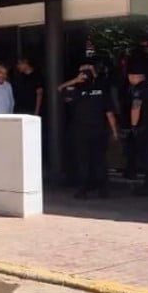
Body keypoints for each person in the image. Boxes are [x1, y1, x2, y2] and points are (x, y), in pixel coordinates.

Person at [60, 61, 118, 199]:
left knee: (83, 161)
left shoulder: (76, 90)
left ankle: (83, 190)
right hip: (99, 130)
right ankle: (103, 190)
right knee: (100, 160)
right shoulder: (102, 89)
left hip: (81, 131)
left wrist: (75, 80)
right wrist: (114, 131)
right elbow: (109, 113)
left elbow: (60, 89)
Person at [124, 62, 148, 195]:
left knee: (144, 153)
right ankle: (147, 180)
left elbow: (136, 107)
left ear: (135, 76)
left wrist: (134, 126)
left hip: (143, 125)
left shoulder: (139, 89)